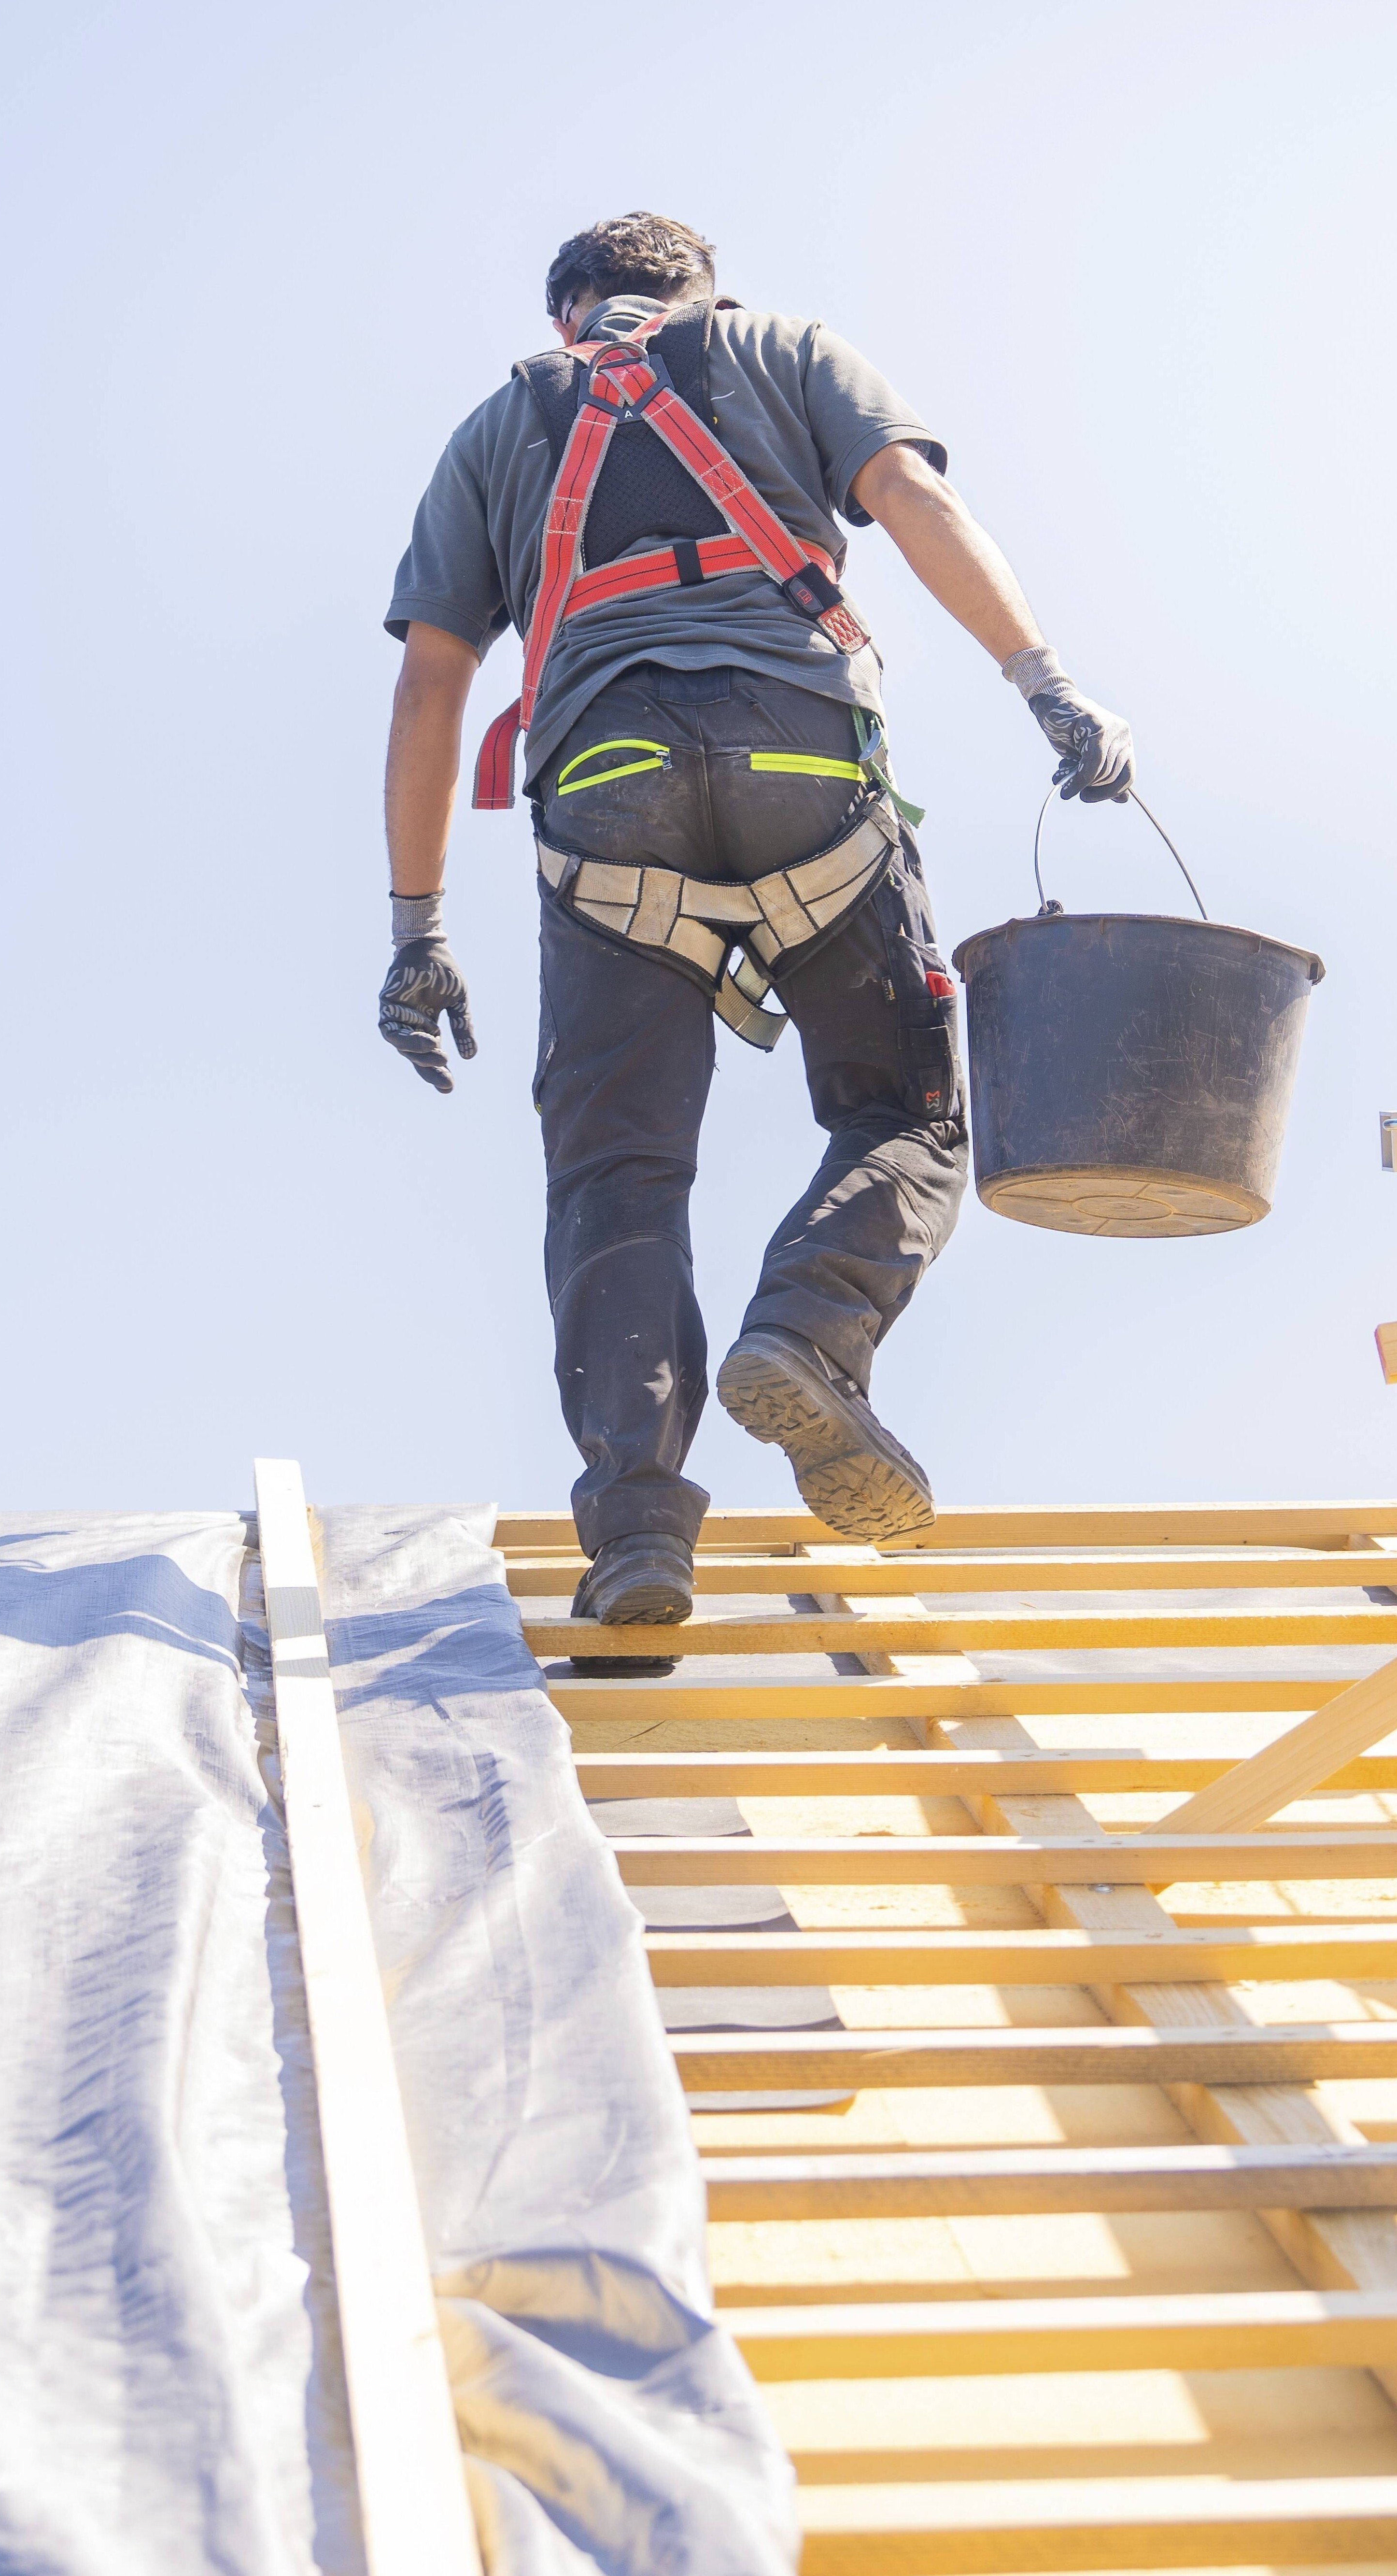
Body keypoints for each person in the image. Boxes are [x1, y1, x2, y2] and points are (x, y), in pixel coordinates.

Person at [377, 212, 1136, 1657]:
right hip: (806, 776)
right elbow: (908, 500)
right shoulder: (783, 352)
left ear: (567, 319)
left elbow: (430, 686)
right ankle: (811, 1328)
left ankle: (639, 1524)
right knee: (903, 1118)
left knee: (615, 1174)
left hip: (605, 807)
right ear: (700, 297)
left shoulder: (499, 426)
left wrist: (417, 933)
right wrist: (1047, 686)